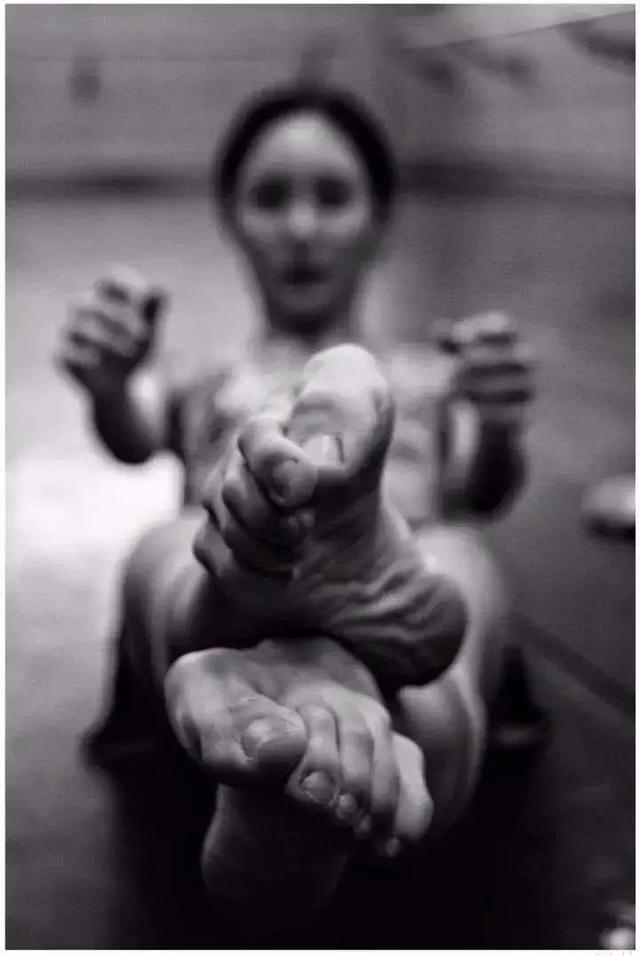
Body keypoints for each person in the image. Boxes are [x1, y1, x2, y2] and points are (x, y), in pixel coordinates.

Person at [56, 85, 536, 934]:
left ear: (379, 223)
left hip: (406, 559)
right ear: (233, 221)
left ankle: (303, 737)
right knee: (173, 544)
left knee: (457, 558)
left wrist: (497, 424)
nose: (302, 228)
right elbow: (133, 435)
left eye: (333, 197)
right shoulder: (208, 377)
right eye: (271, 198)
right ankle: (292, 656)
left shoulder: (429, 375)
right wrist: (107, 387)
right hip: (228, 586)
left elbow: (481, 486)